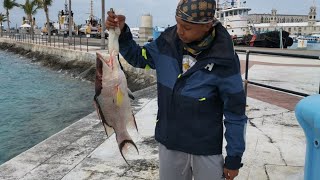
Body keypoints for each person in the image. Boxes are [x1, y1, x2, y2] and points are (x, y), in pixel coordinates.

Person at [106, 0, 247, 179]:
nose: (180, 30)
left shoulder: (225, 59)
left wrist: (234, 158)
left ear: (207, 26)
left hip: (206, 147)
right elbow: (139, 58)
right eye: (178, 23)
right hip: (169, 141)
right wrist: (123, 32)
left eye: (187, 27)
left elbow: (235, 112)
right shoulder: (167, 41)